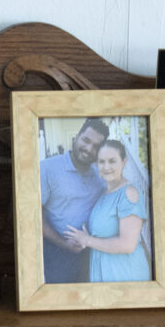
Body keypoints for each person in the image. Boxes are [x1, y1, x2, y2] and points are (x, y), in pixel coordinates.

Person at [67, 139, 150, 282]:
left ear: (123, 163)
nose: (106, 167)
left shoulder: (129, 193)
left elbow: (127, 245)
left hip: (125, 274)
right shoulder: (103, 193)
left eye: (112, 161)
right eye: (101, 161)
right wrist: (86, 237)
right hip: (104, 271)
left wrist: (87, 240)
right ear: (96, 164)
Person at [39, 118, 109, 283]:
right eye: (86, 140)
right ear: (76, 137)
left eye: (97, 146)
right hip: (57, 250)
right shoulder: (47, 168)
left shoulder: (101, 174)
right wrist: (65, 244)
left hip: (91, 249)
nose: (89, 149)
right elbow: (34, 215)